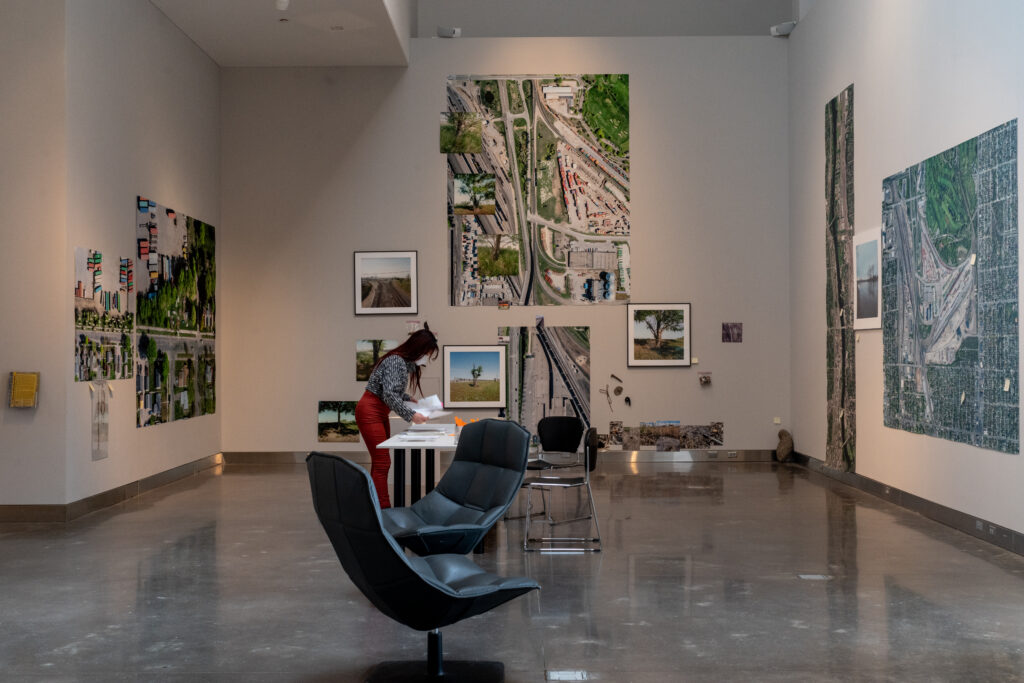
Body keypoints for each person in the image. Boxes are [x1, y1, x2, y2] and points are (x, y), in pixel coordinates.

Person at [355, 324, 439, 508]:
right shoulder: (396, 361)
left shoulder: (401, 362)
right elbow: (389, 395)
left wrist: (409, 399)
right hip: (371, 411)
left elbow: (392, 391)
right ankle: (383, 510)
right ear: (419, 349)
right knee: (383, 462)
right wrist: (411, 415)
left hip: (379, 411)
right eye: (427, 354)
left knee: (380, 462)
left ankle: (374, 507)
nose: (426, 360)